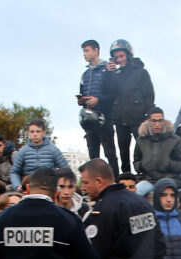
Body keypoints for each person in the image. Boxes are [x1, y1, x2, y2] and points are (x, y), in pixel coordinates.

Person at [104, 39, 154, 176]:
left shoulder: (141, 72)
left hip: (139, 119)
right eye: (117, 57)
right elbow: (107, 91)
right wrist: (108, 73)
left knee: (142, 150)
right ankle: (126, 178)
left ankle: (145, 175)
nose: (120, 59)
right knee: (123, 151)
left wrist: (149, 115)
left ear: (128, 54)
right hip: (120, 120)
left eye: (122, 56)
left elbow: (149, 94)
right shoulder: (115, 75)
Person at [78, 39, 119, 177]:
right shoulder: (85, 74)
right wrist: (81, 100)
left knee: (110, 153)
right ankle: (94, 183)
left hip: (104, 116)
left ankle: (115, 182)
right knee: (93, 155)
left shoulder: (107, 69)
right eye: (83, 51)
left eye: (87, 50)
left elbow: (114, 94)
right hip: (89, 119)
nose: (84, 54)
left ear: (96, 51)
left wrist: (99, 100)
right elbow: (81, 93)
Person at [134, 107, 181, 186]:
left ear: (164, 121)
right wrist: (142, 165)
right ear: (148, 121)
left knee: (163, 192)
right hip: (148, 179)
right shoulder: (141, 140)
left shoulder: (176, 140)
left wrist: (169, 164)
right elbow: (136, 160)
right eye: (154, 121)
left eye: (160, 121)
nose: (157, 124)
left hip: (170, 178)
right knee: (137, 192)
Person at [10, 120, 70, 190]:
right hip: (29, 186)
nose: (35, 134)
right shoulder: (22, 151)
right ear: (28, 134)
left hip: (49, 186)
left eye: (38, 131)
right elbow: (14, 172)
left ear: (44, 133)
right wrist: (17, 186)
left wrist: (60, 185)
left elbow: (66, 170)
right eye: (32, 132)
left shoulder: (53, 150)